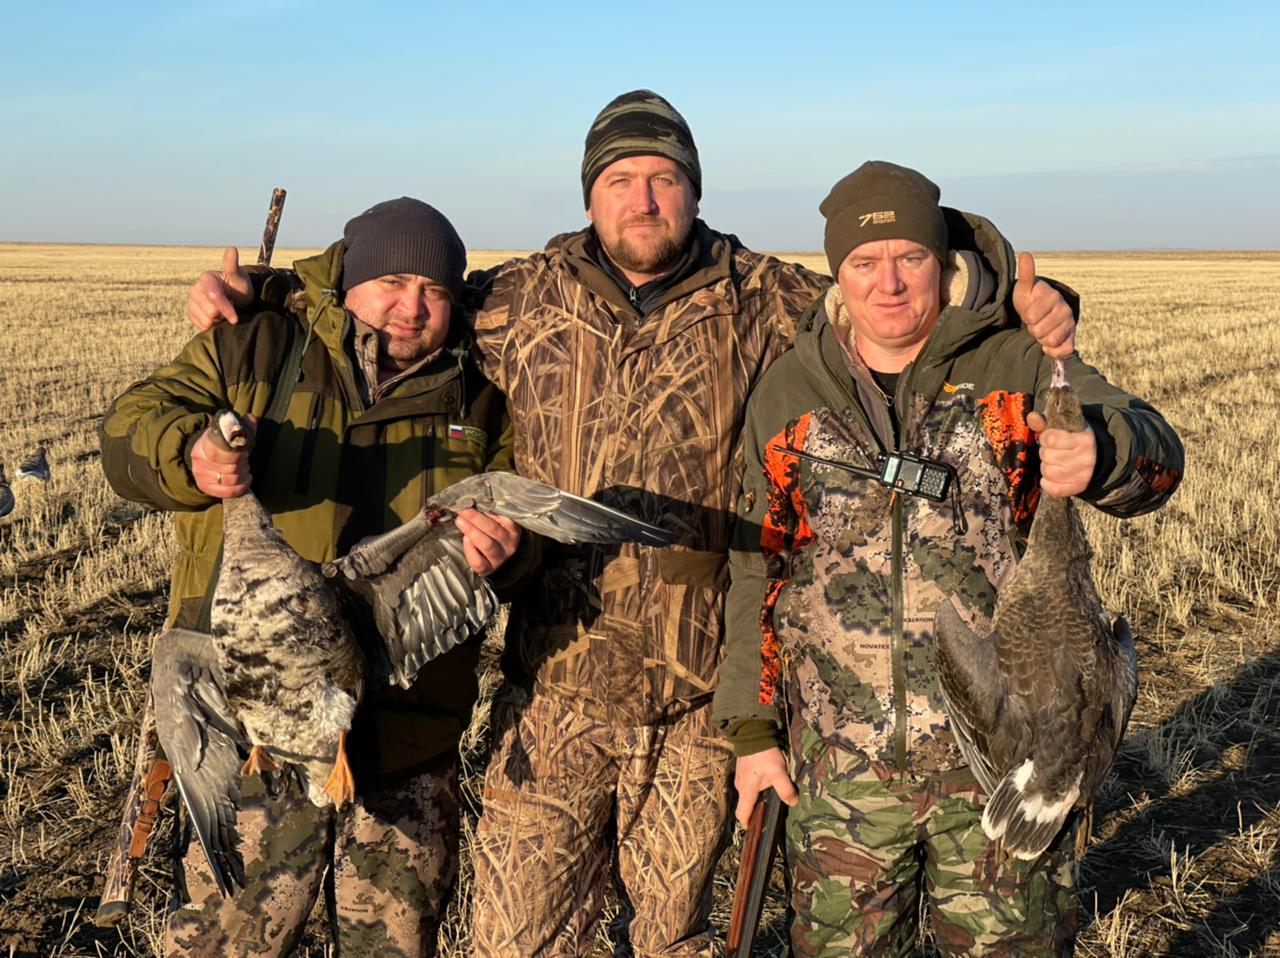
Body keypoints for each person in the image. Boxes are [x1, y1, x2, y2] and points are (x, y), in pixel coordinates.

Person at [184, 93, 1078, 957]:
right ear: (589, 196)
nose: (643, 199)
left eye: (664, 178)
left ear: (694, 190)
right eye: (620, 180)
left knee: (675, 940)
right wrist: (263, 294)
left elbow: (895, 298)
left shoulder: (768, 297)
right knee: (518, 944)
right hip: (554, 691)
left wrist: (1024, 301)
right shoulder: (519, 298)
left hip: (694, 704)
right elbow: (394, 301)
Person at [712, 161, 1184, 957]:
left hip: (1006, 763)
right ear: (837, 273)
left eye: (910, 257)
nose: (888, 282)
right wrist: (754, 733)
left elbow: (1158, 457)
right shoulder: (789, 393)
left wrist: (1100, 451)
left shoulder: (1014, 367)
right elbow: (760, 569)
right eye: (864, 261)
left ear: (943, 261)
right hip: (842, 778)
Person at [102, 197, 528, 957]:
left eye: (433, 290)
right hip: (256, 738)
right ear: (350, 281)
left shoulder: (482, 394)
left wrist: (509, 555)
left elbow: (531, 537)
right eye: (392, 281)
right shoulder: (258, 348)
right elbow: (128, 427)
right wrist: (190, 454)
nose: (411, 307)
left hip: (404, 749)